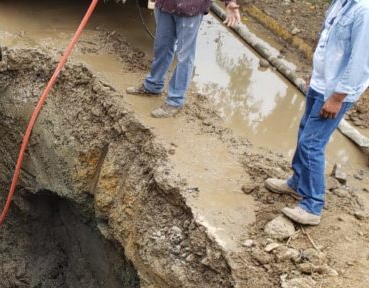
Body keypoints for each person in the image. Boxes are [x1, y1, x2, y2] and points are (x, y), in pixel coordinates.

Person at [265, 0, 369, 225]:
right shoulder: (340, 2)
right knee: (304, 133)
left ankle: (312, 205)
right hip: (321, 83)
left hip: (335, 91)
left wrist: (337, 97)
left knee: (312, 143)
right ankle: (297, 182)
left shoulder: (363, 10)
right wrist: (315, 75)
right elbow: (327, 40)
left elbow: (360, 61)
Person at [127, 0, 241, 118]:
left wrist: (230, 2)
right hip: (165, 4)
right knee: (162, 46)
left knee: (184, 56)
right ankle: (153, 85)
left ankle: (175, 101)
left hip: (190, 8)